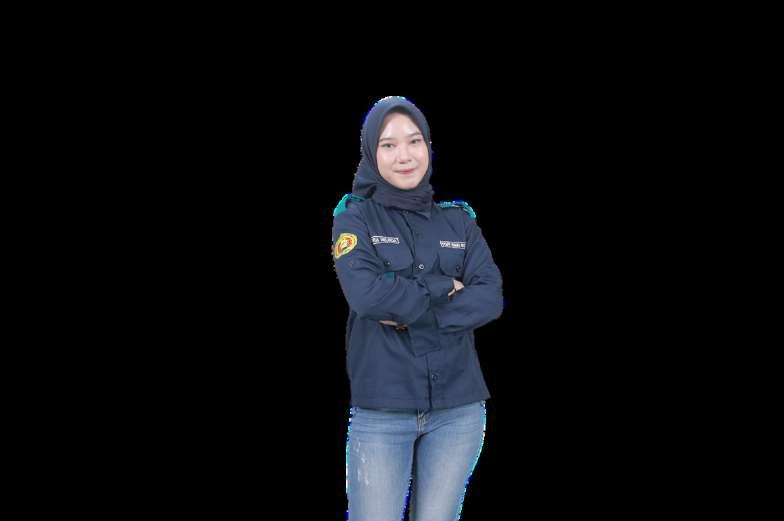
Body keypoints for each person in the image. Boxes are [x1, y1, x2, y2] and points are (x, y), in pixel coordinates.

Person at [331, 96, 504, 520]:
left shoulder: (459, 220)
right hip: (382, 411)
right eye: (388, 145)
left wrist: (409, 311)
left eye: (414, 141)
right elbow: (367, 296)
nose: (405, 156)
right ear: (371, 152)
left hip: (459, 411)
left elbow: (489, 297)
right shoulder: (355, 218)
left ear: (428, 146)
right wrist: (447, 287)